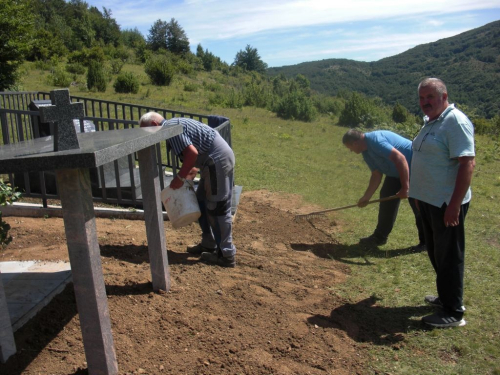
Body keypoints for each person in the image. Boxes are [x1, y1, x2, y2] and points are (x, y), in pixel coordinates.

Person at [409, 78, 475, 328]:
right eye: (422, 98)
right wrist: (417, 194)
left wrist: (454, 205)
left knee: (449, 256)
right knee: (437, 253)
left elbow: (467, 163)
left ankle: (454, 312)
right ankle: (446, 297)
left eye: (430, 97)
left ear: (444, 96)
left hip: (446, 203)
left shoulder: (455, 121)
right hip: (428, 201)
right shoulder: (432, 122)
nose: (425, 102)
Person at [139, 112, 236, 268]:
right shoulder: (174, 124)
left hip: (216, 161)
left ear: (155, 125)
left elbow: (192, 153)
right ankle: (208, 243)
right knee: (201, 201)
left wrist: (180, 177)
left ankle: (226, 254)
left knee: (217, 208)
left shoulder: (170, 129)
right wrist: (189, 172)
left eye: (147, 132)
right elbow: (196, 148)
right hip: (212, 160)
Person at [342, 129, 425, 248]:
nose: (351, 151)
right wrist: (366, 197)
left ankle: (426, 242)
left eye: (350, 147)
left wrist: (406, 187)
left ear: (355, 143)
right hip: (395, 173)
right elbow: (376, 174)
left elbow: (400, 159)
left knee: (418, 206)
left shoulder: (376, 140)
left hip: (414, 169)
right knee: (386, 198)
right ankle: (379, 237)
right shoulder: (366, 152)